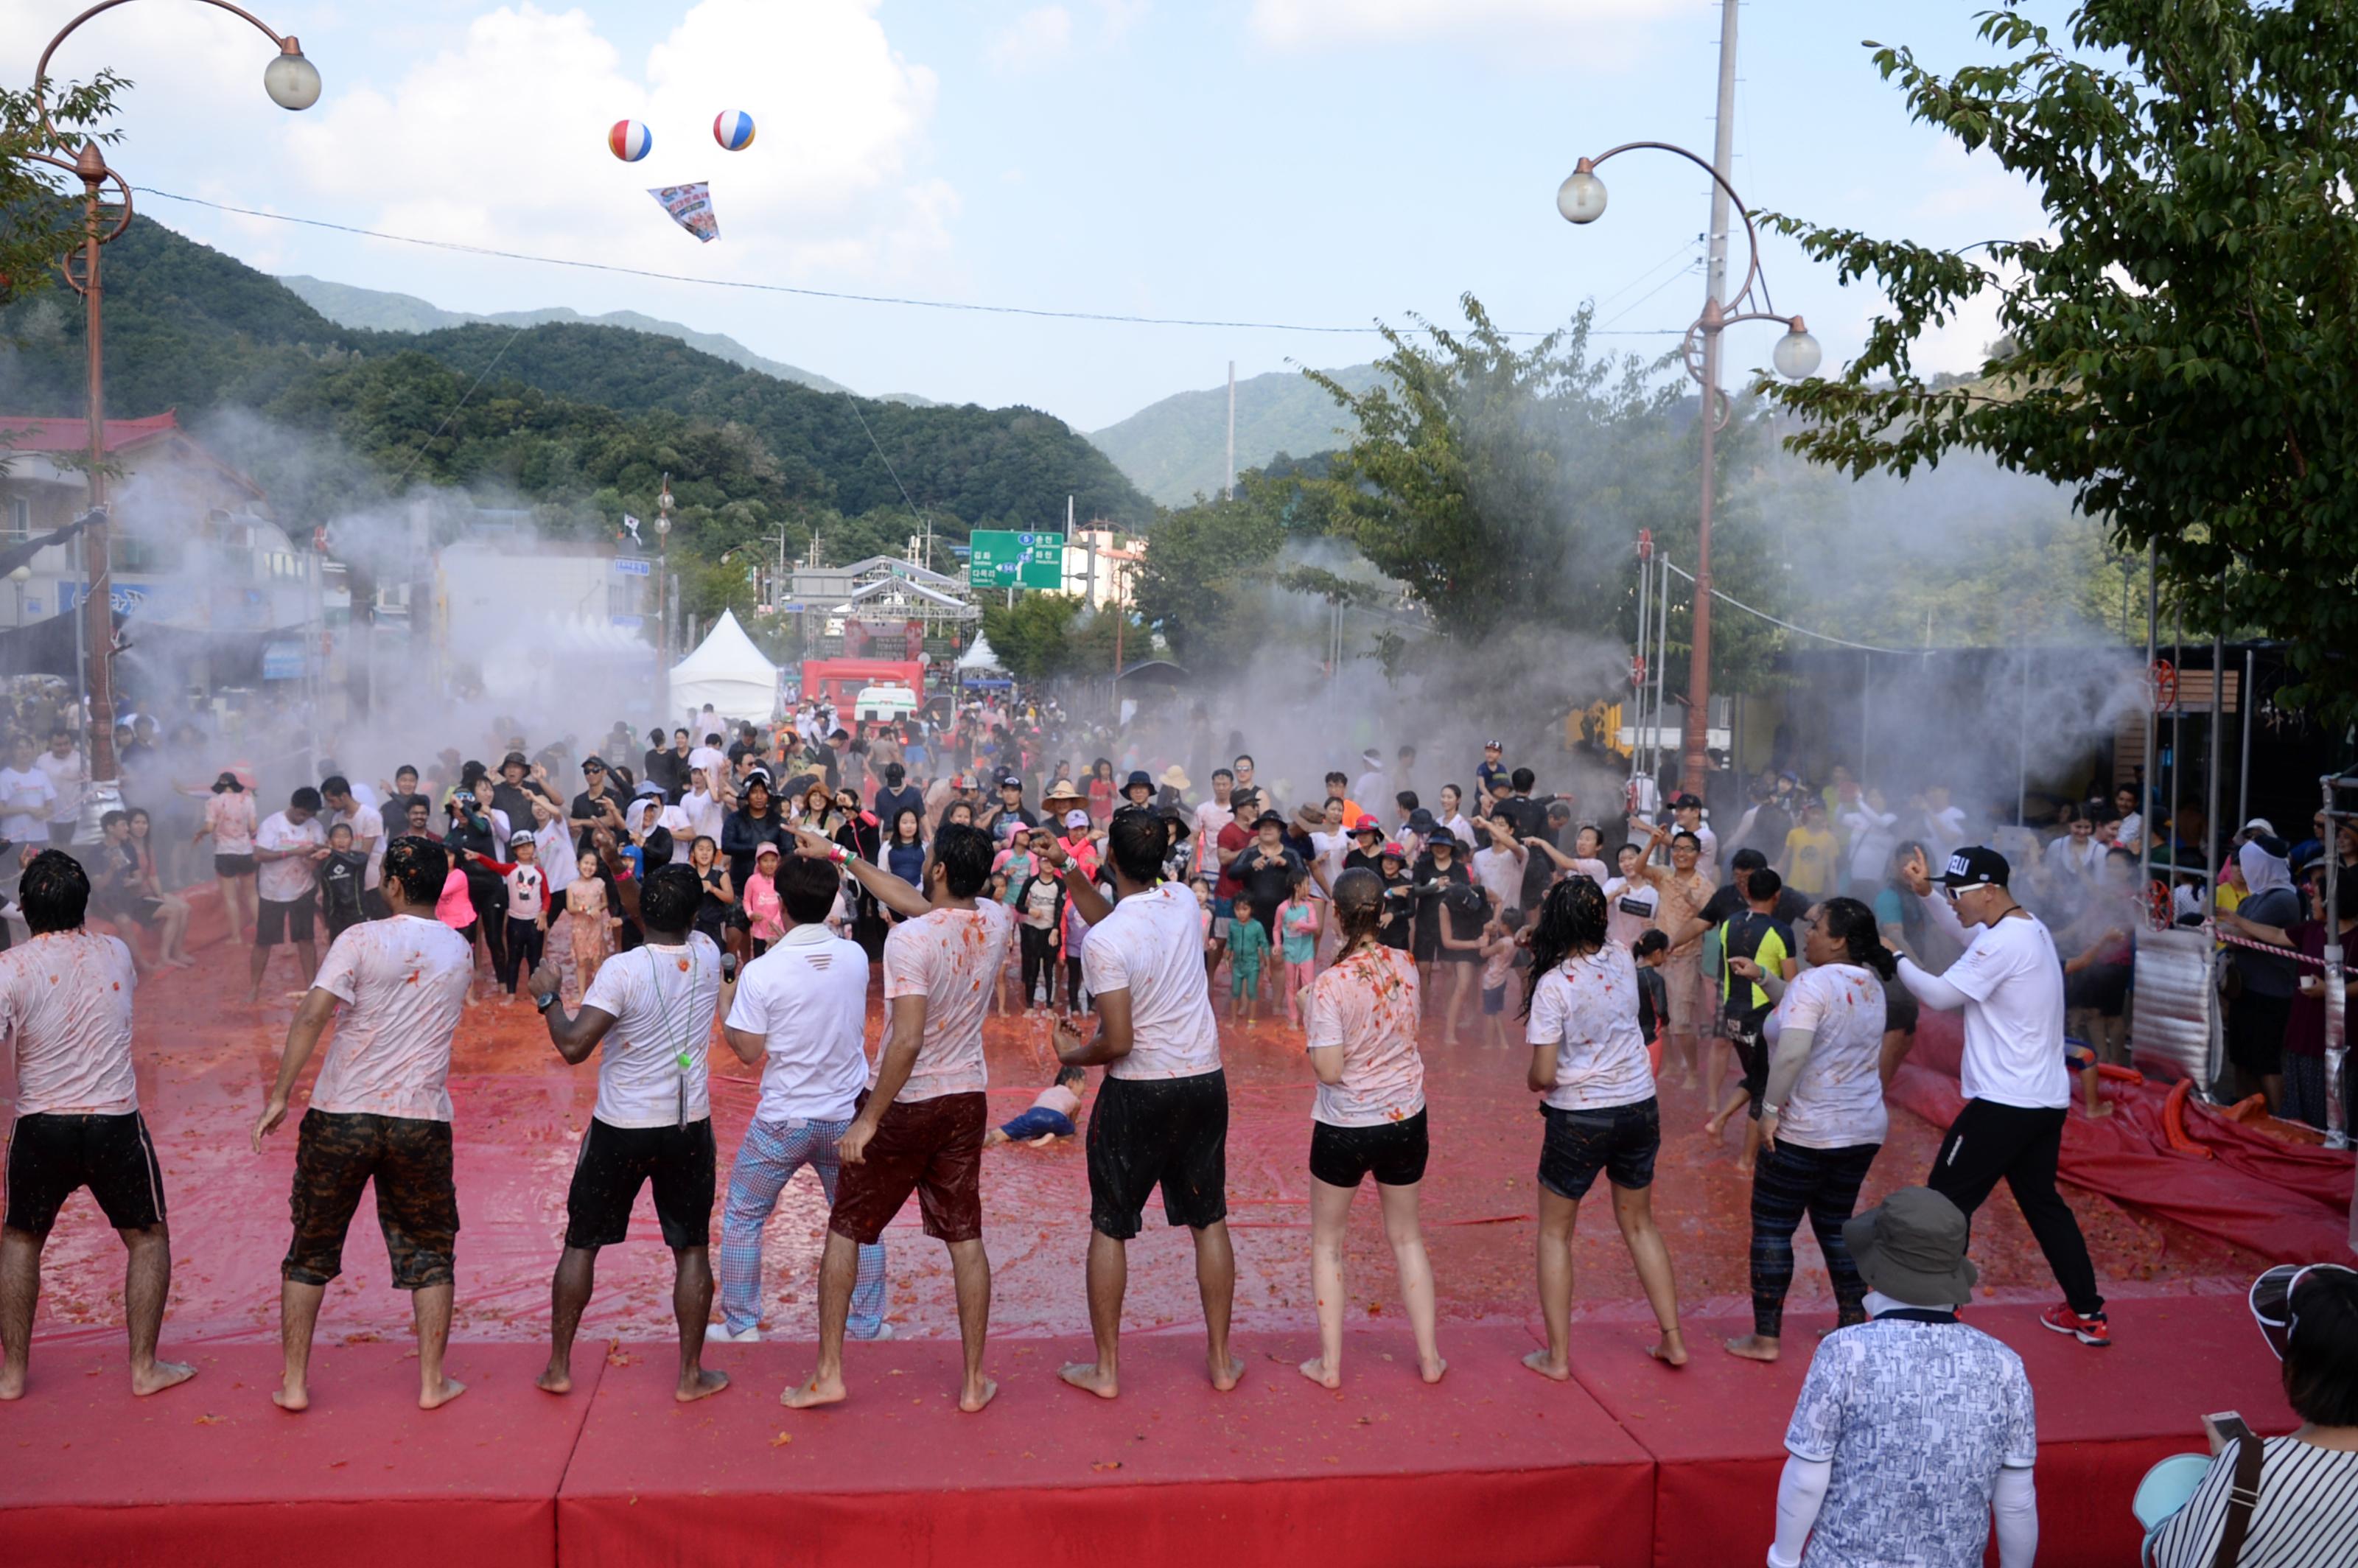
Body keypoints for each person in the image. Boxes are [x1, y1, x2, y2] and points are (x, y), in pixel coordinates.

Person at [780, 821, 1010, 1414]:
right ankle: (974, 1380)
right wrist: (836, 854)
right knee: (965, 1236)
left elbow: (906, 1042)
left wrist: (868, 1120)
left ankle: (829, 1371)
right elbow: (915, 901)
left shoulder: (912, 942)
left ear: (936, 870)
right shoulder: (997, 919)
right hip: (967, 1099)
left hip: (906, 1103)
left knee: (847, 1229)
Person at [252, 836, 475, 1412]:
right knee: (430, 1251)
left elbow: (312, 1014)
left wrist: (280, 1095)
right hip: (419, 1120)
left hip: (342, 1113)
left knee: (310, 1249)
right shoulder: (458, 949)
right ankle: (432, 1383)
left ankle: (295, 1383)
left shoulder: (360, 938)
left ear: (394, 885)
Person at [1049, 807, 1242, 1400]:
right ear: (1164, 859)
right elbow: (1125, 922)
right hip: (1204, 1079)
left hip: (1140, 1089)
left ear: (1109, 861)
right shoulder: (1183, 900)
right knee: (1209, 1221)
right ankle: (1220, 1361)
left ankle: (1106, 1370)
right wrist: (1068, 876)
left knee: (1111, 1226)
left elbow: (1119, 1041)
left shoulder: (1105, 942)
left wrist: (1072, 1053)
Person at [523, 864, 730, 1403]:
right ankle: (690, 1376)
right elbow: (660, 915)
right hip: (689, 1126)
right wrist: (620, 867)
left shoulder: (621, 970)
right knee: (692, 1249)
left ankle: (558, 1367)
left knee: (581, 1244)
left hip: (621, 1126)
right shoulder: (707, 953)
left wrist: (548, 997)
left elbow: (572, 1047)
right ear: (691, 916)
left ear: (644, 916)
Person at [1894, 844, 2109, 1347]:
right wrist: (1926, 893)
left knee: (1944, 1203)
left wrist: (1894, 957)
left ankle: (1936, 1313)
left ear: (1989, 891)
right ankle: (2088, 1311)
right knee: (2043, 1205)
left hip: (2004, 1104)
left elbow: (1942, 996)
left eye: (1956, 893)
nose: (1952, 902)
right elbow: (1967, 933)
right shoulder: (2024, 928)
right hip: (2043, 1101)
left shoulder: (2003, 944)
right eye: (1946, 891)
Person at [0, 852, 195, 1401]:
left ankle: (12, 1375)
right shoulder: (117, 952)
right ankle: (143, 1368)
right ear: (84, 903)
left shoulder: (8, 967)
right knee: (148, 1239)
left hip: (42, 1124)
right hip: (113, 1121)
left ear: (25, 906)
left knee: (19, 1241)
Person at [1770, 1187, 2037, 1568]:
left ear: (1876, 1265)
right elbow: (2016, 1502)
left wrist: (1783, 1559)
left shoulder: (1846, 1351)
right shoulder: (2005, 1364)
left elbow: (1806, 1478)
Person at [709, 852, 892, 1344]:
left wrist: (726, 999)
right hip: (846, 1118)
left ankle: (743, 1325)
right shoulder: (855, 957)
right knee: (860, 1219)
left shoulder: (763, 971)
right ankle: (867, 1324)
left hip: (784, 1119)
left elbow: (748, 1051)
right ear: (833, 900)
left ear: (780, 906)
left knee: (745, 1217)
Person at [1520, 875, 1686, 1377]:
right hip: (1640, 1104)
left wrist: (1534, 1081)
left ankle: (1558, 1357)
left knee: (1554, 1234)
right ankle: (1674, 1341)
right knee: (1640, 1224)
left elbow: (1544, 1075)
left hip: (1581, 1115)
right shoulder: (1619, 954)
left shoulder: (1553, 985)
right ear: (1599, 919)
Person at [1726, 898, 1895, 1364]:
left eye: (1816, 927)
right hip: (1860, 1129)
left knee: (1774, 1228)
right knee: (1836, 1226)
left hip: (1806, 1128)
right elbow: (1802, 1005)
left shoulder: (1815, 984)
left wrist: (1771, 1111)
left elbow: (1793, 1051)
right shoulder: (1869, 984)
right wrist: (1762, 978)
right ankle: (1850, 1326)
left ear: (1838, 939)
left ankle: (1765, 1338)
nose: (1808, 933)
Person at [1298, 867, 1444, 1389]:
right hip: (1406, 1117)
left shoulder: (1329, 986)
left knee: (1327, 1244)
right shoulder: (1407, 965)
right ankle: (1429, 1358)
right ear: (1383, 913)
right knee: (1407, 1238)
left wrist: (1306, 1014)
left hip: (1346, 1124)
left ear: (1335, 915)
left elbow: (1329, 1070)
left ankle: (1331, 1366)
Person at [2144, 1263, 2358, 1567]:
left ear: (2296, 1370)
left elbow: (2178, 1558)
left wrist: (2238, 1466)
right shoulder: (2251, 1466)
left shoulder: (2253, 1469)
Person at [1706, 868, 1800, 1176]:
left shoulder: (1728, 925)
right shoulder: (1781, 932)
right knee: (1764, 1088)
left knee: (1755, 1076)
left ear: (1747, 894)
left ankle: (1717, 1120)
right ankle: (1746, 1162)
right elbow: (1793, 984)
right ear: (1778, 895)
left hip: (1732, 1012)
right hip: (1763, 1018)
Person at [2219, 836, 2301, 1113]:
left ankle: (2279, 1118)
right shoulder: (2257, 897)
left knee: (2265, 1062)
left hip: (2270, 992)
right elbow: (2233, 931)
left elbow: (2237, 936)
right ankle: (2248, 1112)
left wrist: (2229, 927)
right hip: (2246, 989)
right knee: (2242, 1057)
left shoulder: (2282, 899)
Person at [251, 786, 329, 1003]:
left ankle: (311, 986)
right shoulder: (272, 824)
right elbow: (258, 856)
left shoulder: (315, 827)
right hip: (273, 890)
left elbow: (318, 860)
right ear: (293, 806)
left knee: (306, 939)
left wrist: (318, 855)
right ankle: (254, 988)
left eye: (309, 815)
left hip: (303, 888)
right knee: (263, 941)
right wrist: (293, 852)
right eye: (302, 814)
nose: (305, 818)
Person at [196, 769, 259, 947]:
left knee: (230, 898)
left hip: (224, 852)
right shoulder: (247, 800)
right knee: (252, 895)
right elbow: (253, 827)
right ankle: (262, 935)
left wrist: (200, 833)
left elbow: (209, 827)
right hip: (245, 851)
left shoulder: (213, 802)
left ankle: (236, 937)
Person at [987, 1065, 1088, 1147]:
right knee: (1070, 1133)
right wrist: (1073, 1126)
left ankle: (989, 1138)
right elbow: (1072, 1122)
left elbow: (1035, 1108)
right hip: (1056, 1118)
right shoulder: (1076, 1101)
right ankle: (1053, 1139)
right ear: (1071, 1082)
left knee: (1006, 1132)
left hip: (1034, 1115)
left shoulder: (1047, 1091)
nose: (1085, 1088)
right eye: (1083, 1083)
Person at [499, 832, 548, 997]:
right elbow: (492, 865)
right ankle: (511, 994)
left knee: (535, 961)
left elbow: (547, 895)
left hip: (534, 921)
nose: (526, 850)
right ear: (514, 851)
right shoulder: (510, 869)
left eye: (528, 846)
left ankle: (536, 996)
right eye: (521, 847)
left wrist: (544, 913)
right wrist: (478, 857)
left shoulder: (540, 872)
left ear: (534, 848)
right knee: (513, 959)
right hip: (515, 922)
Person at [1276, 867, 1320, 1027]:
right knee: (1291, 985)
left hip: (1306, 953)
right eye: (1307, 885)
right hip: (1290, 953)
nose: (1309, 888)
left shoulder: (1309, 907)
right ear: (1297, 886)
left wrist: (1300, 925)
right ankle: (1293, 1018)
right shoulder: (1282, 908)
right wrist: (1277, 945)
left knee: (1308, 984)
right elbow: (1277, 929)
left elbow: (1315, 926)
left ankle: (1308, 1017)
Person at [315, 821, 369, 945]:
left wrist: (333, 852)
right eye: (337, 837)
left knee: (361, 951)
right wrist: (327, 925)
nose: (341, 841)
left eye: (345, 837)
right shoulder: (325, 864)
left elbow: (357, 862)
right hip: (337, 918)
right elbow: (327, 897)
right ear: (330, 841)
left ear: (352, 840)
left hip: (358, 914)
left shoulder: (359, 858)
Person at [1226, 894, 1270, 1023]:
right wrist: (1227, 957)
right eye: (1237, 909)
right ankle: (1233, 1019)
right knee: (1235, 992)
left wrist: (1268, 965)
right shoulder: (1233, 925)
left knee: (1252, 992)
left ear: (1252, 909)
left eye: (1244, 909)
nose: (1241, 913)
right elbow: (1230, 942)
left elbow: (1265, 945)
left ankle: (1252, 1020)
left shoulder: (1257, 926)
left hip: (1252, 965)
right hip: (1237, 965)